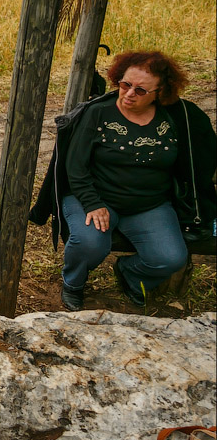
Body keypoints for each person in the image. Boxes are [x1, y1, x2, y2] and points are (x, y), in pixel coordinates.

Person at [52, 51, 215, 310]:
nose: (129, 94)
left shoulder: (174, 118)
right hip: (95, 196)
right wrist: (92, 203)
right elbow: (75, 166)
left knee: (171, 258)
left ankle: (131, 273)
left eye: (141, 90)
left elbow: (194, 162)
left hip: (149, 205)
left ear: (160, 93)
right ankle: (73, 283)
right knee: (89, 243)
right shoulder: (98, 113)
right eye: (125, 85)